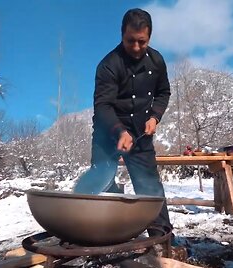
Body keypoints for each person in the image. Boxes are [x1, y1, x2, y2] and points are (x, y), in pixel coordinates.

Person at [73, 8, 173, 238]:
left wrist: (155, 116)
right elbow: (103, 106)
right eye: (130, 41)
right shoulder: (108, 65)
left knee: (151, 189)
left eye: (142, 42)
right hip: (108, 132)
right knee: (102, 181)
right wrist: (119, 131)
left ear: (149, 37)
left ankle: (162, 241)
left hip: (140, 135)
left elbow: (163, 92)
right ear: (121, 35)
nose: (136, 48)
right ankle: (98, 235)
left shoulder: (157, 61)